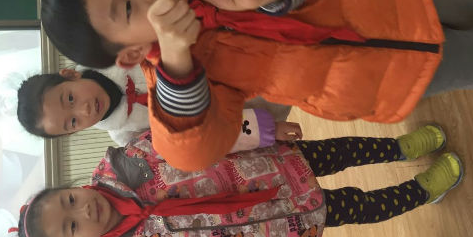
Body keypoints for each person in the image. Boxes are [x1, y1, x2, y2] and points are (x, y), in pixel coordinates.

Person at [40, 0, 473, 171]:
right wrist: (178, 63)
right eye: (126, 7)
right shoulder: (192, 80)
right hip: (388, 80)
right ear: (130, 54)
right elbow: (191, 152)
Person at [13, 123, 463, 237]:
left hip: (269, 165)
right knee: (356, 208)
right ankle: (423, 190)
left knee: (343, 152)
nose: (83, 210)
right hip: (276, 225)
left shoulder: (125, 161)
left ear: (71, 187)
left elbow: (197, 135)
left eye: (69, 200)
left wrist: (259, 130)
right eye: (71, 227)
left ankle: (400, 147)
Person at [17, 67, 291, 145]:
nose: (84, 110)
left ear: (69, 74)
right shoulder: (128, 137)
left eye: (70, 99)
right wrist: (264, 129)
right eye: (72, 122)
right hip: (247, 111)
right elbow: (198, 138)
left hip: (245, 61)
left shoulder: (118, 51)